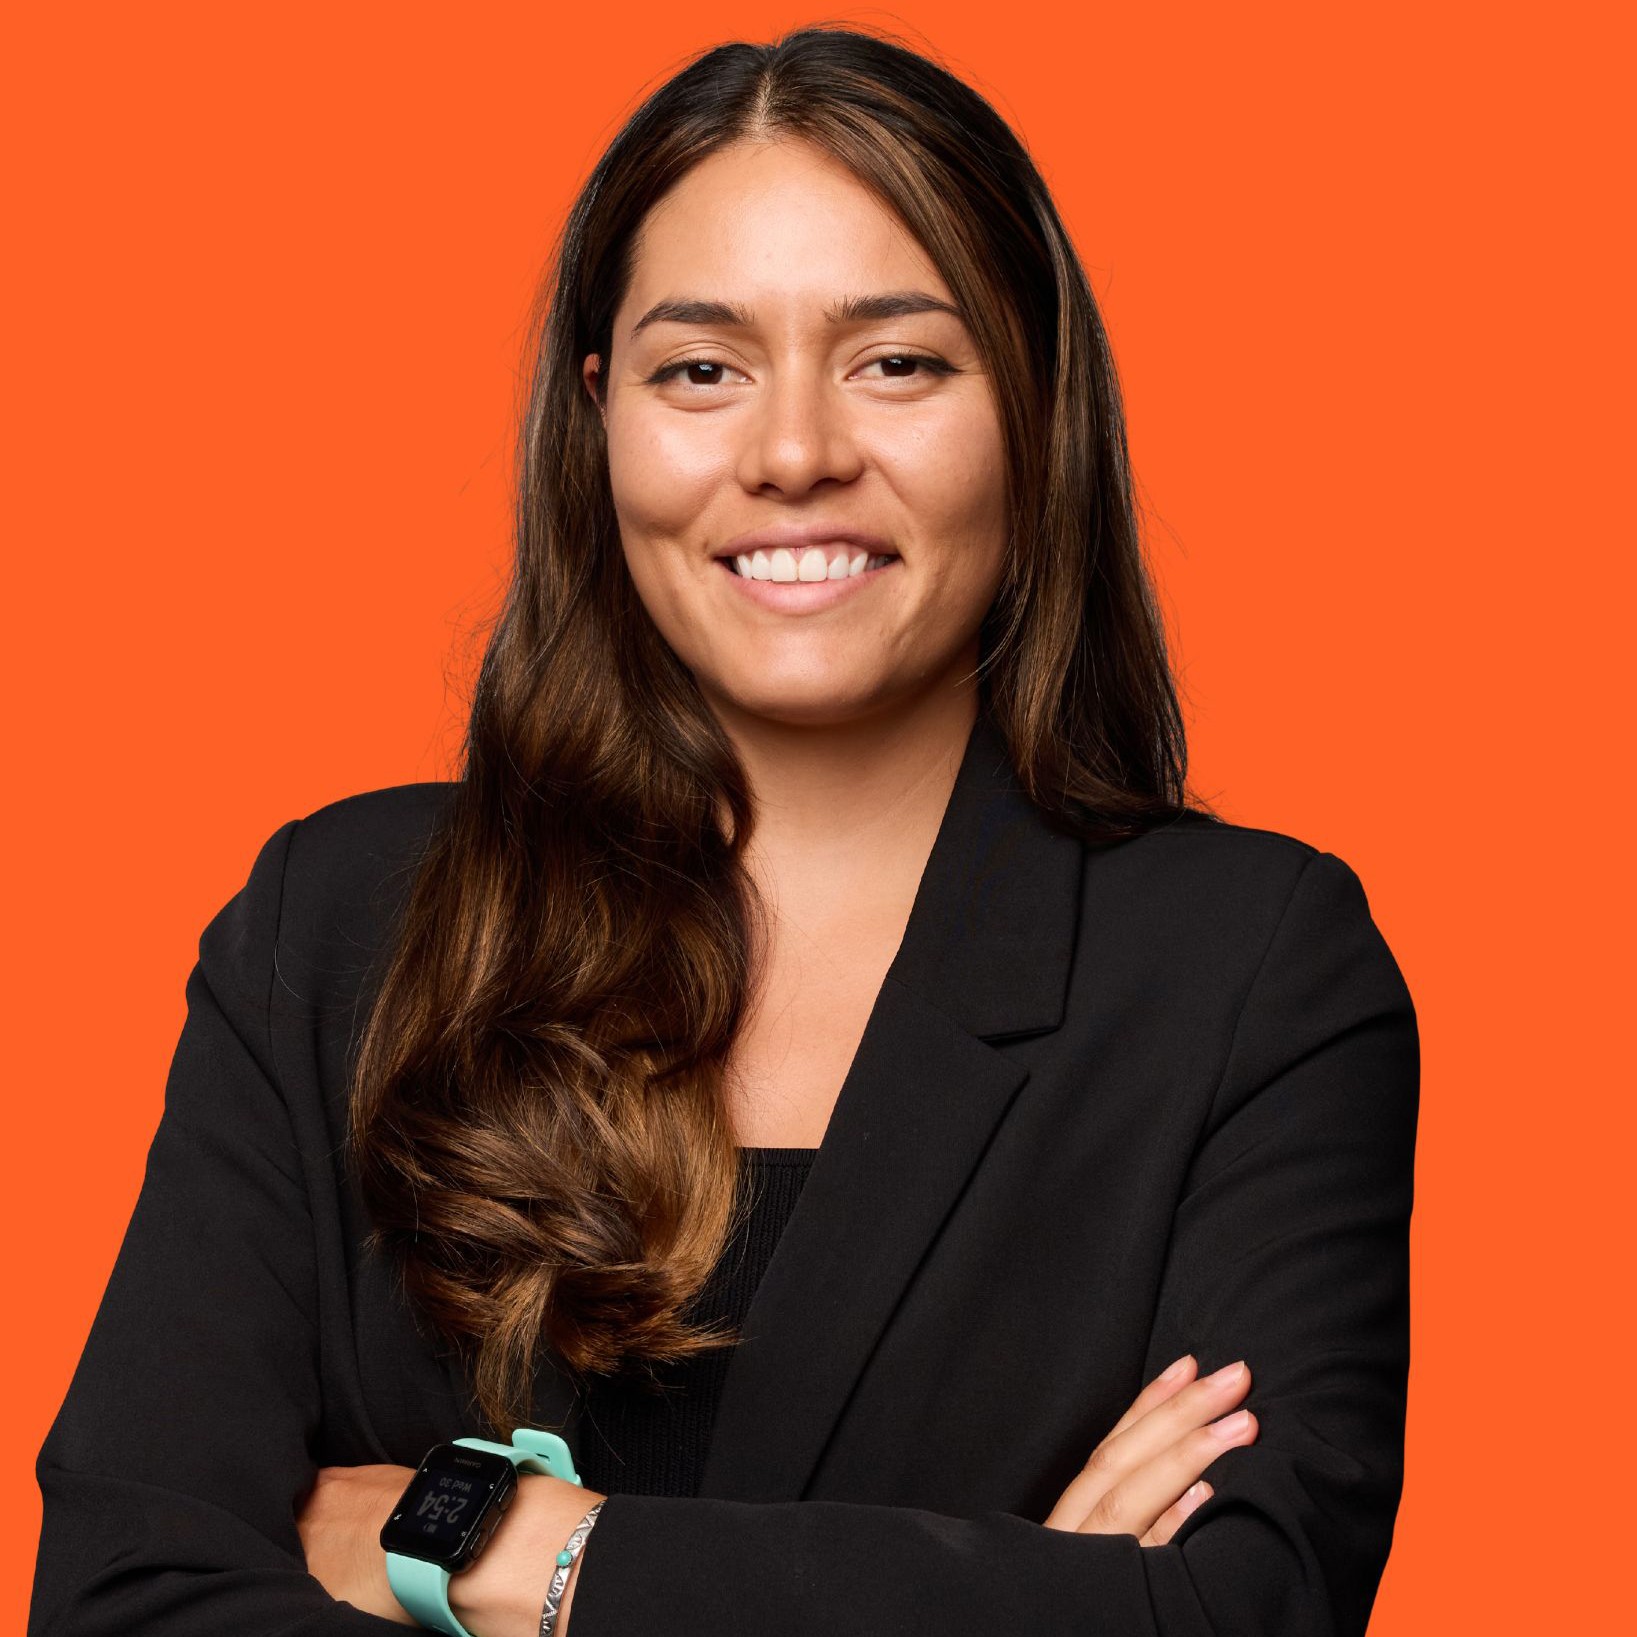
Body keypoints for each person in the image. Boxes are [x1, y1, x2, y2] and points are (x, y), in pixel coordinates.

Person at [27, 23, 1419, 1637]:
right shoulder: (333, 928)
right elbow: (126, 1599)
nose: (792, 453)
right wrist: (1023, 1594)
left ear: (1033, 408)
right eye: (701, 370)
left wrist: (518, 1552)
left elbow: (1241, 1613)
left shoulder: (1248, 969)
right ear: (600, 415)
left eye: (897, 362)